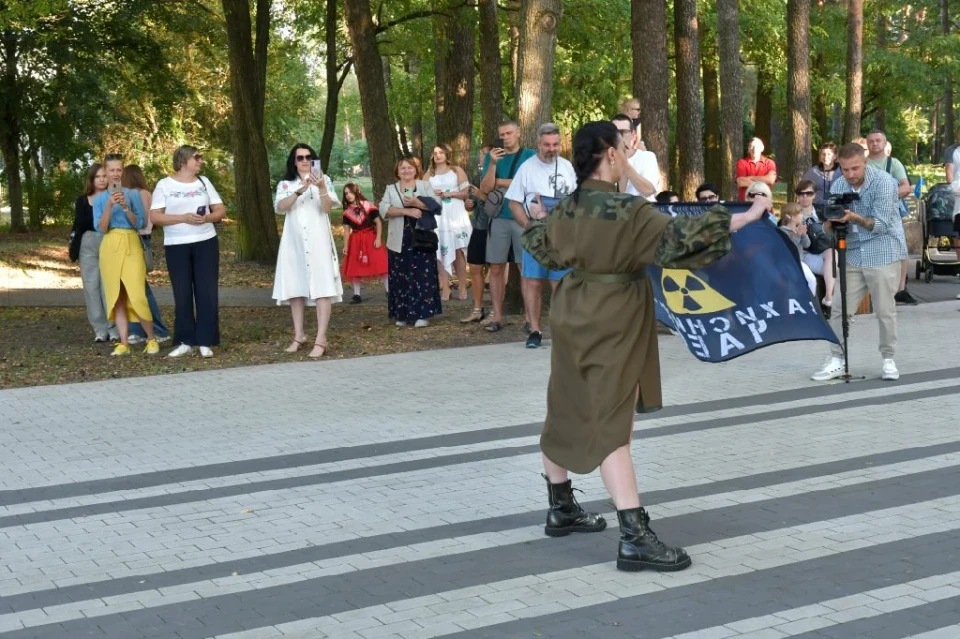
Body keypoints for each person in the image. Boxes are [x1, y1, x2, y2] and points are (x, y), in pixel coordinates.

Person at [521, 120, 770, 572]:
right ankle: (634, 535)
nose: (627, 156)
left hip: (574, 308)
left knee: (566, 401)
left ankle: (560, 507)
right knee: (614, 420)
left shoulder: (568, 207)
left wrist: (543, 221)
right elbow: (681, 239)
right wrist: (750, 216)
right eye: (623, 149)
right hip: (615, 314)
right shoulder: (628, 209)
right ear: (611, 155)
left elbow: (543, 249)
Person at [811, 143, 907, 382]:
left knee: (885, 310)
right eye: (845, 169)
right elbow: (833, 221)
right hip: (853, 251)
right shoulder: (839, 184)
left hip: (882, 251)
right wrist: (829, 225)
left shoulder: (885, 182)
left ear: (865, 162)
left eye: (855, 168)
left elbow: (881, 225)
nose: (850, 175)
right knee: (839, 309)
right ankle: (836, 358)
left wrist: (854, 217)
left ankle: (888, 359)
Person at [150, 145, 226, 358]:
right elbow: (155, 216)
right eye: (196, 157)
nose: (200, 161)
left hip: (205, 242)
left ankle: (205, 340)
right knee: (182, 292)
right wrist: (182, 218)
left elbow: (220, 210)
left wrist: (206, 218)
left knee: (207, 291)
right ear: (183, 160)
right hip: (176, 244)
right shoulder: (164, 185)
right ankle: (185, 340)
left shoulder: (204, 182)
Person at [505, 123, 577, 349]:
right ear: (538, 144)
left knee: (561, 283)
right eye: (547, 145)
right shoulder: (527, 168)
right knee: (534, 282)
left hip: (563, 235)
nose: (551, 148)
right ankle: (535, 330)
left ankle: (562, 330)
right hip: (535, 234)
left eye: (555, 144)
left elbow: (578, 200)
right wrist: (527, 225)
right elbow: (514, 202)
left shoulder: (567, 167)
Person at [272, 143, 343, 358]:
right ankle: (299, 334)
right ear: (293, 161)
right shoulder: (286, 184)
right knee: (296, 288)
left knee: (322, 287)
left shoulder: (325, 180)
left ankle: (321, 338)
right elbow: (281, 208)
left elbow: (327, 208)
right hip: (293, 243)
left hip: (318, 241)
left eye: (308, 157)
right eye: (299, 157)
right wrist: (299, 189)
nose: (304, 161)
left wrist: (320, 187)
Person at [93, 154, 159, 356]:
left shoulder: (132, 194)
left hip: (131, 243)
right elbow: (101, 228)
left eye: (118, 170)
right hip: (110, 246)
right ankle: (123, 342)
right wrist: (110, 205)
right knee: (117, 295)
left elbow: (140, 223)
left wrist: (124, 206)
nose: (115, 174)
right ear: (106, 172)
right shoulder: (99, 199)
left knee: (137, 293)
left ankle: (152, 338)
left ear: (123, 171)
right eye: (111, 170)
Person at [479, 120, 536, 332]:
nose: (505, 137)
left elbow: (530, 184)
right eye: (502, 134)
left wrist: (501, 182)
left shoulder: (530, 156)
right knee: (496, 267)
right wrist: (492, 164)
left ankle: (530, 318)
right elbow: (485, 188)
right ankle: (497, 316)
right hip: (499, 218)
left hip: (522, 217)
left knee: (525, 269)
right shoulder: (491, 157)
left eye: (509, 133)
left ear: (519, 133)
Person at [379, 156, 443, 328]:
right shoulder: (391, 189)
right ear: (397, 171)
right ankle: (402, 313)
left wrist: (417, 203)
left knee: (423, 276)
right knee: (401, 276)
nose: (406, 170)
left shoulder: (424, 185)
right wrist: (405, 212)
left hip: (422, 237)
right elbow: (383, 209)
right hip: (399, 239)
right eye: (402, 168)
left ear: (416, 170)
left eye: (410, 167)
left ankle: (423, 314)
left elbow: (437, 206)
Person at [865, 130, 917, 305]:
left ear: (884, 143)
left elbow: (906, 187)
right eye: (871, 141)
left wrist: (888, 194)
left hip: (892, 213)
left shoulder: (893, 163)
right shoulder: (863, 164)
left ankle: (900, 290)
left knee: (901, 250)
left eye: (878, 140)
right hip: (868, 213)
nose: (874, 144)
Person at [122, 165, 170, 344]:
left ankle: (157, 329)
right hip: (145, 238)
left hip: (137, 239)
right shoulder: (147, 194)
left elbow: (139, 221)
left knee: (139, 289)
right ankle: (138, 329)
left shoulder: (135, 195)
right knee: (135, 288)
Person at [71, 163, 118, 342]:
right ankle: (99, 329)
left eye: (104, 176)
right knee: (92, 286)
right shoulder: (83, 200)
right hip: (88, 242)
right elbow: (81, 222)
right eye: (98, 177)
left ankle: (113, 327)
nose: (101, 180)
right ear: (92, 179)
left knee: (109, 286)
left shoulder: (114, 197)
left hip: (108, 239)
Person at [424, 144, 472, 301]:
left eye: (441, 152)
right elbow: (421, 193)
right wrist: (433, 194)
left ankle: (463, 286)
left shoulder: (456, 170)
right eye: (435, 153)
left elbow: (466, 193)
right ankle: (445, 287)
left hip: (455, 214)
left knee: (458, 250)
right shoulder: (429, 174)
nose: (438, 155)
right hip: (438, 216)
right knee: (440, 251)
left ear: (447, 155)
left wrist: (450, 193)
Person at [341, 182, 387, 305]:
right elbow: (346, 230)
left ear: (357, 192)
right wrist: (346, 246)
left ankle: (389, 290)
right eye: (346, 194)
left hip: (371, 238)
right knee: (356, 267)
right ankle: (357, 295)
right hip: (356, 240)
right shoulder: (347, 212)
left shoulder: (368, 206)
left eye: (350, 192)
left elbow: (378, 222)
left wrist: (378, 238)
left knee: (381, 264)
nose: (348, 195)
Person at [795, 179, 836, 313]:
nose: (805, 197)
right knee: (833, 271)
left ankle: (828, 298)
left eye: (809, 193)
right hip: (805, 253)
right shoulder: (792, 213)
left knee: (832, 254)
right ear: (797, 195)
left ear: (814, 195)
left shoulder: (822, 211)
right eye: (801, 193)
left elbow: (833, 232)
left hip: (823, 250)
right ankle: (828, 305)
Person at [462, 145, 492, 324]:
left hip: (497, 227)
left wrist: (483, 197)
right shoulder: (476, 177)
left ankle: (496, 311)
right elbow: (470, 203)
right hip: (479, 227)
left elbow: (504, 204)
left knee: (496, 269)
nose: (483, 157)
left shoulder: (502, 177)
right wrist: (468, 204)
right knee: (474, 267)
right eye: (481, 154)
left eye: (487, 154)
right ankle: (477, 309)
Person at [611, 114, 659, 200]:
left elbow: (648, 190)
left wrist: (624, 162)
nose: (619, 136)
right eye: (615, 132)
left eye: (623, 132)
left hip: (644, 210)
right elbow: (620, 192)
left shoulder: (647, 157)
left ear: (633, 134)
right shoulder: (606, 160)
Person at [777, 203, 817, 297]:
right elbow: (789, 249)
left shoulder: (798, 228)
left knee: (812, 280)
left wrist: (803, 234)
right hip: (788, 263)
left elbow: (807, 244)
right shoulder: (782, 231)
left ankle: (810, 303)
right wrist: (798, 235)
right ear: (793, 217)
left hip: (799, 262)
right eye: (800, 213)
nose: (802, 215)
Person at [802, 142, 841, 208]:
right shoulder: (813, 171)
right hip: (817, 206)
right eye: (823, 154)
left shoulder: (842, 171)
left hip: (837, 206)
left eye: (829, 154)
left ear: (835, 156)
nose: (826, 157)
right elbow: (803, 188)